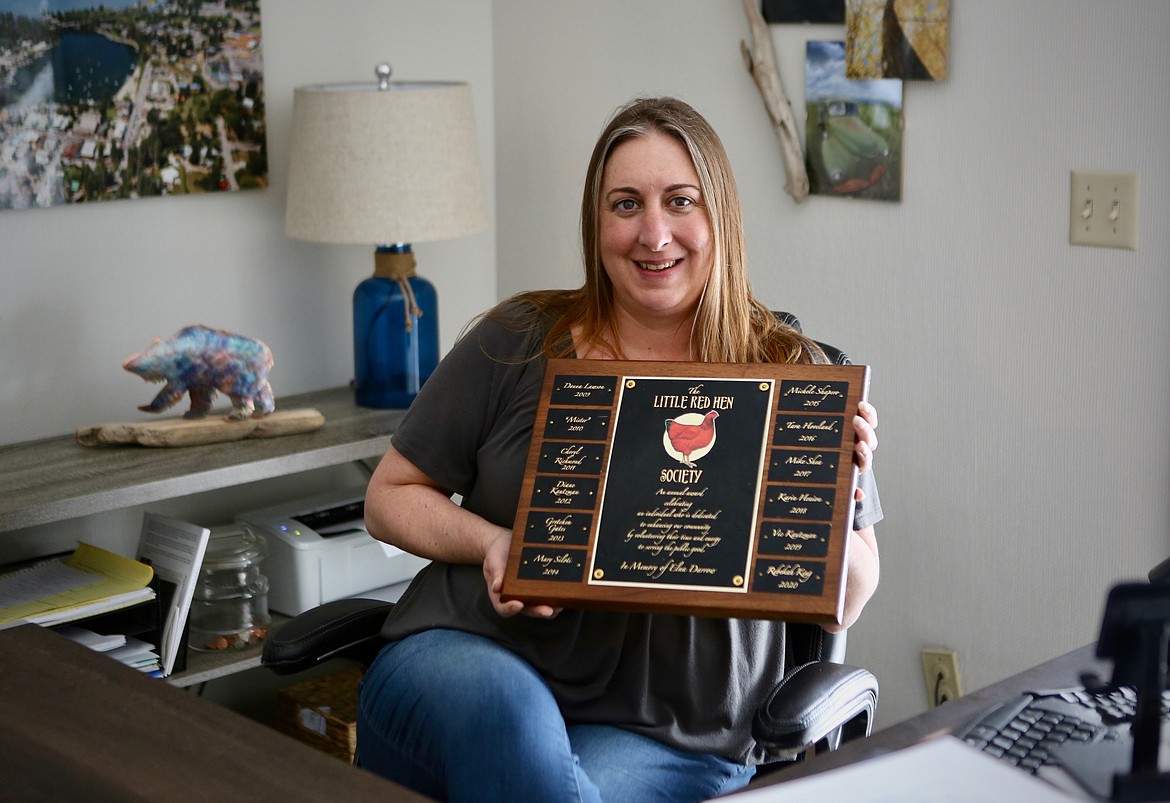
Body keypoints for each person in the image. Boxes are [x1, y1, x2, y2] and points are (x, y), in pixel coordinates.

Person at [357, 96, 882, 803]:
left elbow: (844, 602)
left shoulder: (797, 374)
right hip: (470, 661)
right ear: (596, 222)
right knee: (515, 726)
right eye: (626, 204)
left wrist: (836, 490)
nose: (653, 232)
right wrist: (493, 541)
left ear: (717, 216)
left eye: (680, 201)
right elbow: (388, 498)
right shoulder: (516, 339)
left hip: (674, 731)